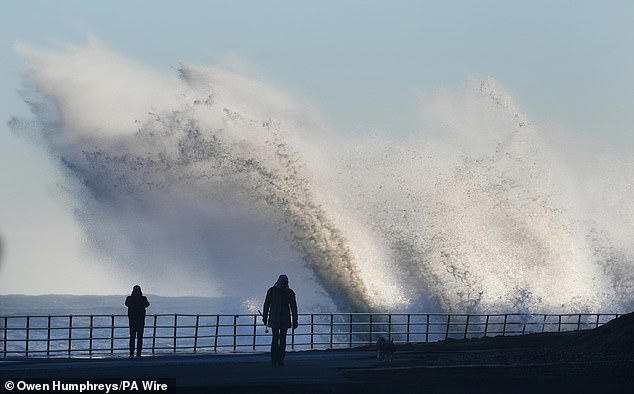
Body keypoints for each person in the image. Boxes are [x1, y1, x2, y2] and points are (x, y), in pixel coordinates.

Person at [262, 275, 298, 366]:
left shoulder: (272, 291)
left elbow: (266, 305)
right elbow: (293, 307)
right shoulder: (289, 292)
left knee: (276, 338)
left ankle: (274, 359)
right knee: (282, 339)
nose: (283, 283)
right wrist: (295, 320)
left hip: (274, 318)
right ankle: (280, 359)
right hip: (284, 319)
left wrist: (265, 317)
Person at [125, 285, 150, 359]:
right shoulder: (143, 298)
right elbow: (147, 304)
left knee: (132, 337)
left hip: (132, 320)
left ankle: (131, 353)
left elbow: (127, 304)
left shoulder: (129, 298)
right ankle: (138, 353)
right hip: (140, 320)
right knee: (139, 337)